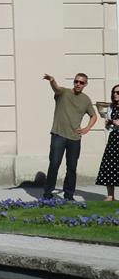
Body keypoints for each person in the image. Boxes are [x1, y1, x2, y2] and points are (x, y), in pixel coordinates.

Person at [42, 72, 98, 201]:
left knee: (72, 168)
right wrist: (52, 81)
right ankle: (47, 194)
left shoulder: (86, 99)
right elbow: (56, 88)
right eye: (76, 81)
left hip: (75, 138)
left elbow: (94, 116)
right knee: (54, 164)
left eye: (81, 82)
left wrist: (87, 128)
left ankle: (69, 195)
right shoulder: (64, 93)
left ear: (85, 84)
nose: (78, 84)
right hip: (58, 135)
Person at [98, 84, 119, 202]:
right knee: (110, 165)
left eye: (118, 92)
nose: (115, 94)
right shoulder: (111, 107)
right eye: (114, 92)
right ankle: (110, 196)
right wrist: (108, 124)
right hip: (114, 138)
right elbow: (109, 127)